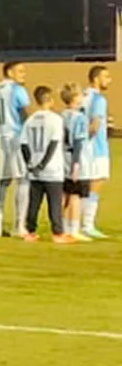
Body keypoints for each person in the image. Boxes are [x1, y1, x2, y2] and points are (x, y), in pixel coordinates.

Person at [20, 85, 69, 243]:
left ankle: (30, 231)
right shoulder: (55, 119)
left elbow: (24, 144)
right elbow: (54, 144)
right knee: (54, 202)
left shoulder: (30, 120)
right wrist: (43, 164)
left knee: (34, 202)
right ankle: (58, 232)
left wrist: (30, 164)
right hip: (52, 168)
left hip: (34, 169)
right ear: (49, 99)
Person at [0, 61, 31, 238]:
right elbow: (25, 114)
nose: (23, 74)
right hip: (16, 136)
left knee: (3, 181)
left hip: (1, 136)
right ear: (9, 72)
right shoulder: (17, 90)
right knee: (22, 180)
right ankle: (19, 224)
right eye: (20, 71)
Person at [80, 65, 110, 238]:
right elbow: (95, 124)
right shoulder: (99, 99)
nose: (109, 80)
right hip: (96, 148)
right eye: (106, 76)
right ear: (96, 78)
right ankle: (88, 225)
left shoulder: (83, 96)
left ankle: (77, 224)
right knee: (95, 185)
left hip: (84, 148)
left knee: (84, 186)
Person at [64, 84, 89, 241]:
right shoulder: (80, 118)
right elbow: (78, 142)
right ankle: (74, 229)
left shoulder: (61, 115)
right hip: (75, 158)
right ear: (75, 98)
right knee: (75, 196)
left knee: (64, 194)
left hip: (62, 157)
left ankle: (62, 227)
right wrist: (76, 164)